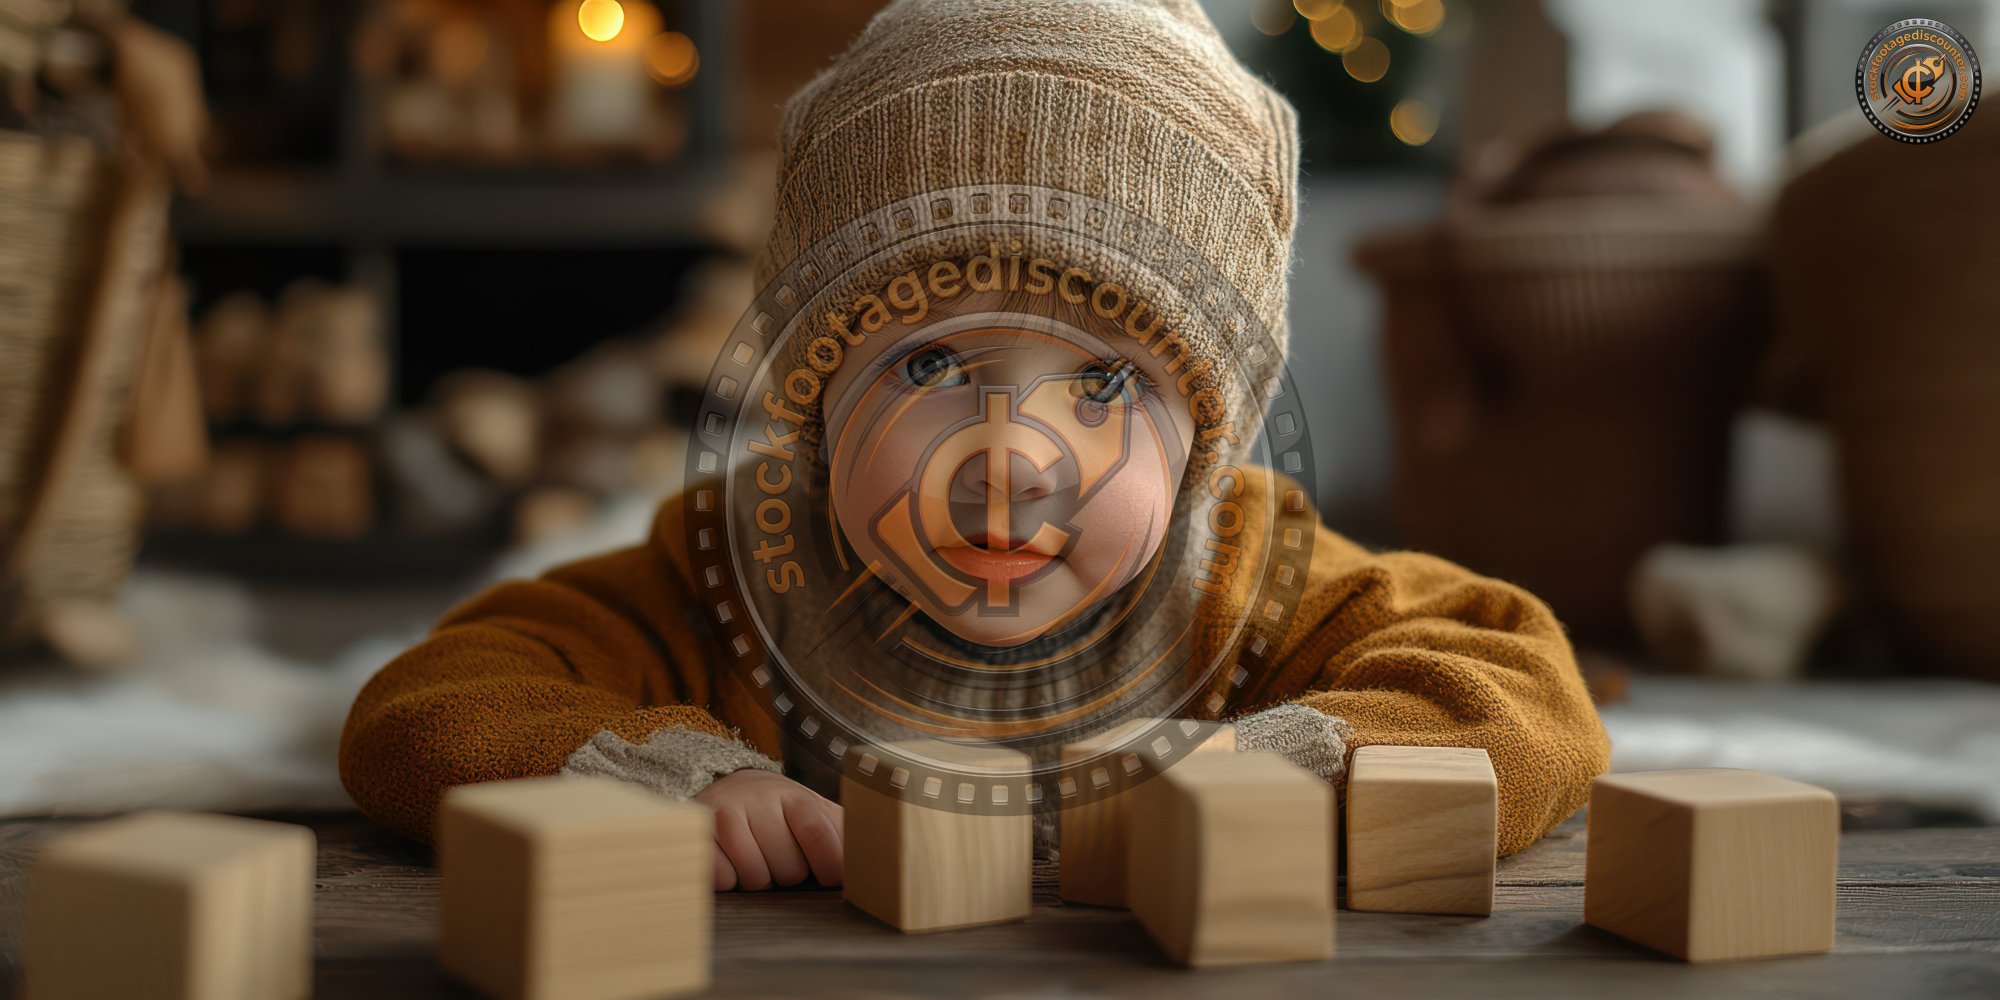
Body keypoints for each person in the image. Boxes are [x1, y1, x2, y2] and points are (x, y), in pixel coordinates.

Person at [339, 0, 1608, 891]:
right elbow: (430, 704)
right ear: (814, 397)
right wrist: (665, 775)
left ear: (1208, 439)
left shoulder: (1244, 572)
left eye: (1106, 381)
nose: (1014, 460)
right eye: (931, 365)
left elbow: (1523, 688)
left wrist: (1284, 761)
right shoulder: (734, 568)